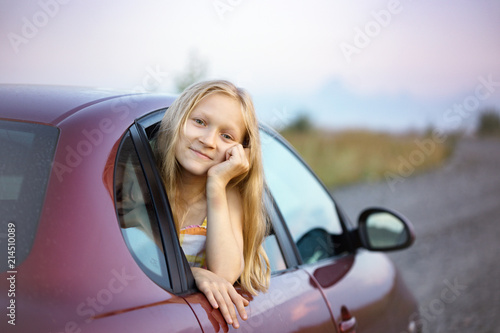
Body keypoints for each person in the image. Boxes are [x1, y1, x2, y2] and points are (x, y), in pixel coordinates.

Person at [155, 80, 270, 329]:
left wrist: (217, 183)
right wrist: (194, 274)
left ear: (241, 152)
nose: (208, 141)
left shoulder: (229, 197)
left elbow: (225, 274)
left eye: (226, 136)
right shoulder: (139, 182)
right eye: (199, 122)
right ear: (177, 119)